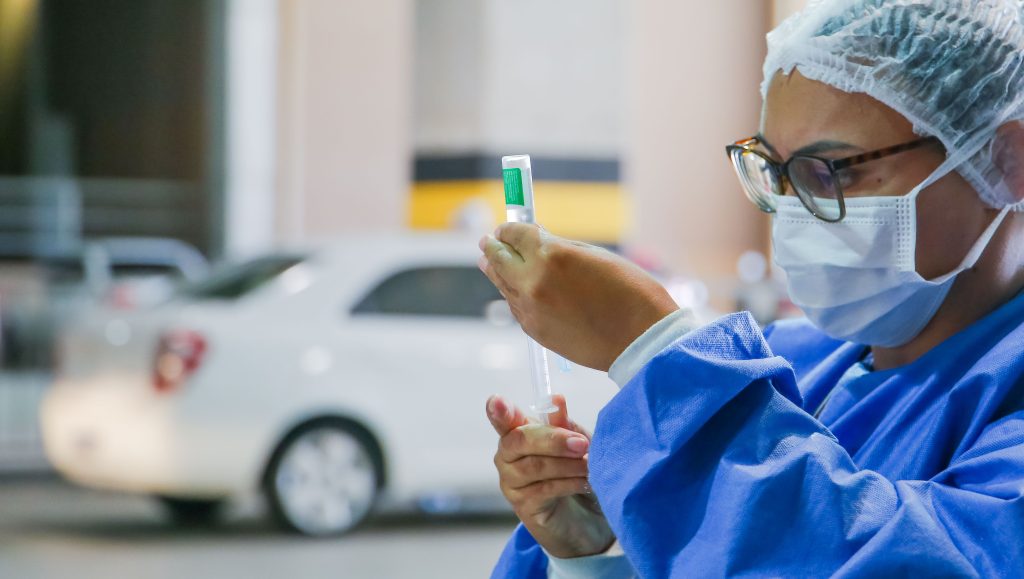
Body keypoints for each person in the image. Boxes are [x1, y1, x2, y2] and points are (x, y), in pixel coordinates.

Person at [476, 1, 1024, 577]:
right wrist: (599, 555)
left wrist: (652, 346)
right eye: (778, 173)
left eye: (831, 170)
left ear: (1006, 160)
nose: (792, 210)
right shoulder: (787, 364)